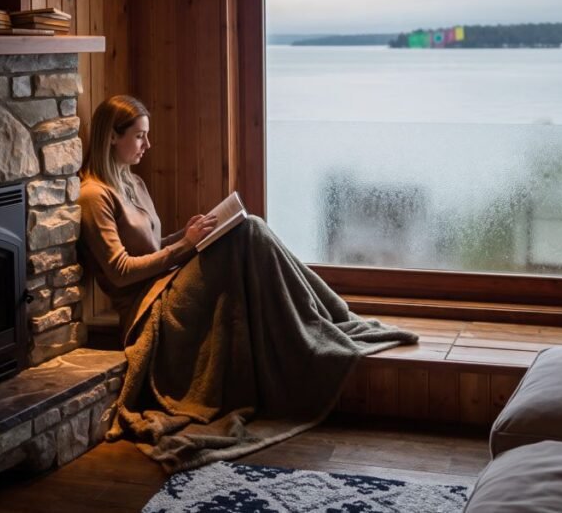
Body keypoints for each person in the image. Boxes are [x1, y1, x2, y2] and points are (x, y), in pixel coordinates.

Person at [78, 94, 418, 473]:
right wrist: (186, 248)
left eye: (148, 136)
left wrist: (189, 236)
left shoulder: (134, 182)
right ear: (111, 136)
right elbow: (121, 270)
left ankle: (331, 316)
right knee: (250, 230)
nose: (148, 145)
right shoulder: (94, 196)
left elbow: (154, 250)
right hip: (148, 310)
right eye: (140, 137)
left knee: (245, 229)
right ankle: (334, 315)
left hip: (167, 282)